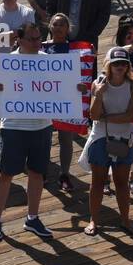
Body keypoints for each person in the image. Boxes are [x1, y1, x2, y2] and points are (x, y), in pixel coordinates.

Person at [0, 24, 74, 241]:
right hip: (13, 126)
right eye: (32, 39)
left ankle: (32, 218)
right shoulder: (7, 62)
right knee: (5, 174)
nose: (37, 42)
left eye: (39, 38)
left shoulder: (49, 61)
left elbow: (62, 90)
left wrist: (74, 89)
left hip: (41, 126)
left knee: (37, 174)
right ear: (19, 40)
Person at [83, 49, 133, 236]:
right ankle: (93, 220)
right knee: (97, 182)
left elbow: (130, 116)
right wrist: (98, 95)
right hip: (100, 138)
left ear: (128, 66)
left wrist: (105, 117)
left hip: (123, 138)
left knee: (122, 182)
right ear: (109, 65)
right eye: (116, 63)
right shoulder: (97, 85)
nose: (120, 67)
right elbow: (93, 114)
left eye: (123, 63)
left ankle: (125, 220)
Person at [44, 13, 80, 191]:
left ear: (68, 29)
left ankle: (64, 174)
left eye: (61, 25)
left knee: (65, 138)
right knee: (44, 137)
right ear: (49, 26)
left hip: (66, 99)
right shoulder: (40, 48)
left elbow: (83, 74)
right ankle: (41, 171)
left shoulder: (76, 50)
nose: (58, 28)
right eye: (55, 24)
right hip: (43, 100)